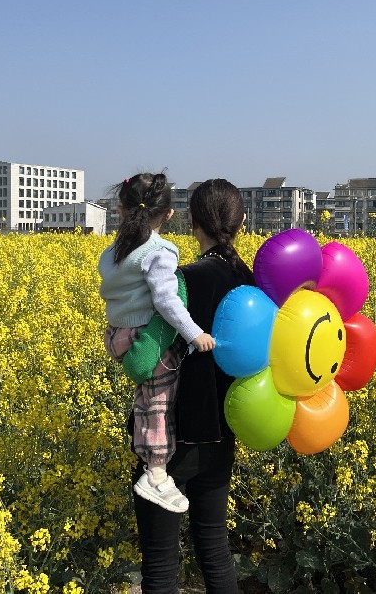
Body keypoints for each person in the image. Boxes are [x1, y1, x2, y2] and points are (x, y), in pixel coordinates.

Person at [131, 178, 255, 593]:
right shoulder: (253, 282)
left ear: (192, 220)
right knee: (214, 549)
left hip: (171, 439)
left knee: (161, 565)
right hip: (224, 434)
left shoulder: (182, 281)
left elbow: (146, 359)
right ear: (241, 222)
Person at [99, 172, 216, 514]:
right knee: (158, 406)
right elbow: (167, 300)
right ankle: (156, 473)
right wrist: (195, 334)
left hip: (118, 333)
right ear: (168, 215)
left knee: (145, 399)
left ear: (121, 211)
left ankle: (152, 463)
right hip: (144, 336)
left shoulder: (114, 252)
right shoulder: (158, 251)